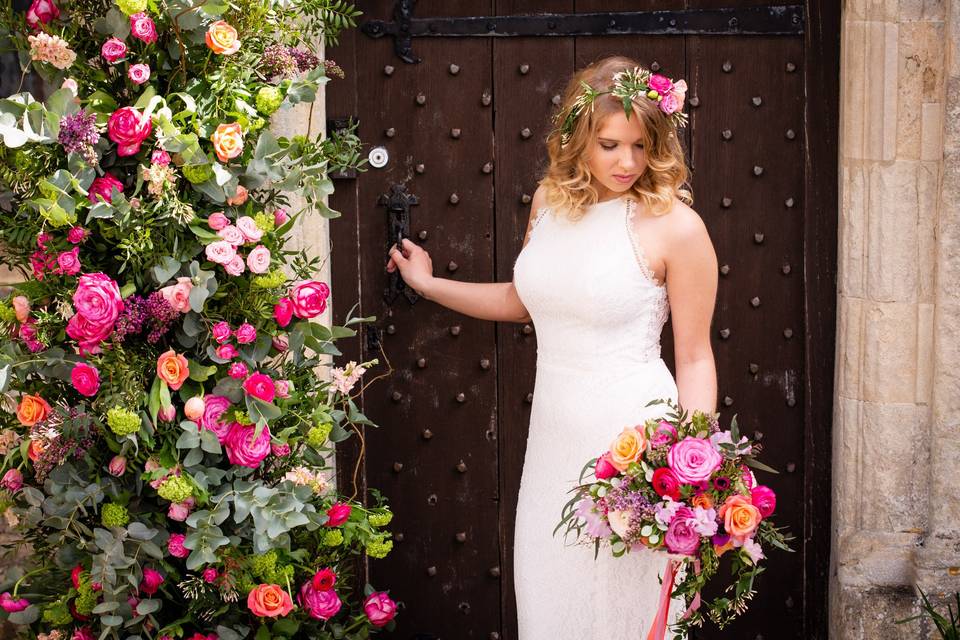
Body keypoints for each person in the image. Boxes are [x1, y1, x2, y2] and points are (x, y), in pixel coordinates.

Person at [386, 55, 718, 639]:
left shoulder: (677, 227)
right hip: (553, 448)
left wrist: (691, 475)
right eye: (611, 144)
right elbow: (526, 299)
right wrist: (430, 285)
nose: (627, 162)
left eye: (641, 146)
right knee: (550, 602)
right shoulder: (548, 202)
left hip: (635, 452)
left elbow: (694, 356)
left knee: (627, 612)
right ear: (577, 138)